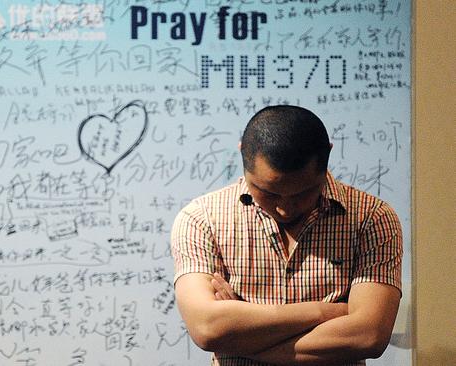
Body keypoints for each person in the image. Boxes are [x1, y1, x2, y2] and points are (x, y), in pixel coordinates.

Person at [170, 105, 402, 366]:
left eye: (304, 192)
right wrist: (324, 311)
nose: (284, 207)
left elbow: (368, 336)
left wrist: (241, 332)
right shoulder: (201, 219)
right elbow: (208, 328)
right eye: (268, 192)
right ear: (242, 155)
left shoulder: (372, 218)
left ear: (327, 157)